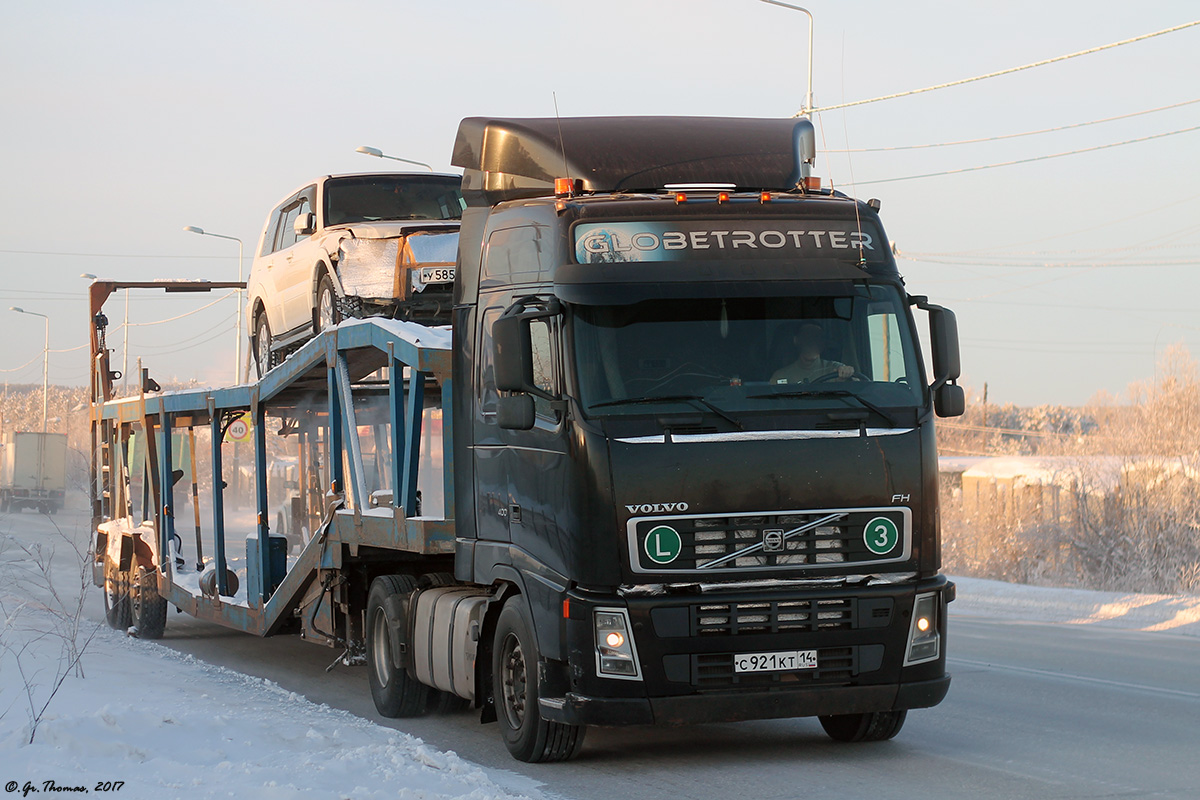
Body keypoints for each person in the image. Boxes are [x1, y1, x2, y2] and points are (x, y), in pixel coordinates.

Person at [769, 322, 855, 384]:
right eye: (807, 336)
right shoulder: (781, 375)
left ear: (823, 343)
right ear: (796, 340)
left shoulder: (835, 369)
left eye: (817, 337)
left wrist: (848, 373)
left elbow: (857, 390)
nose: (812, 341)